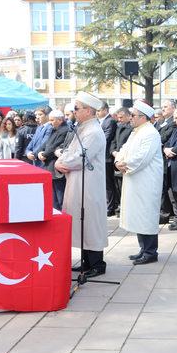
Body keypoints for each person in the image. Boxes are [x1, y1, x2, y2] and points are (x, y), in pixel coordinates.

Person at [55, 92, 109, 278]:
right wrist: (60, 161)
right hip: (77, 181)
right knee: (81, 219)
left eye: (77, 108)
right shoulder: (82, 128)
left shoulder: (93, 131)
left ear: (88, 110)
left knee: (90, 221)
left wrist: (62, 164)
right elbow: (69, 150)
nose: (74, 112)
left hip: (89, 184)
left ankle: (97, 264)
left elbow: (80, 158)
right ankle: (86, 261)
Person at [115, 100, 163, 265]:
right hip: (136, 179)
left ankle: (151, 252)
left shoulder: (150, 133)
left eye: (133, 115)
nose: (130, 118)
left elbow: (143, 157)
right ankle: (143, 249)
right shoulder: (137, 131)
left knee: (146, 215)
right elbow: (124, 149)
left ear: (143, 117)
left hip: (146, 182)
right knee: (138, 214)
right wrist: (119, 161)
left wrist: (125, 164)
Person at [39, 110, 70, 210]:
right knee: (54, 199)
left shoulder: (65, 130)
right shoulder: (54, 129)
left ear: (60, 120)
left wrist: (44, 154)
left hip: (56, 167)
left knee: (60, 197)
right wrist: (39, 152)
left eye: (52, 120)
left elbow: (54, 146)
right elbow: (46, 143)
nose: (50, 122)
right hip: (50, 166)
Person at [97, 101, 119, 217]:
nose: (97, 113)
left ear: (105, 110)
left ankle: (110, 207)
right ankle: (107, 205)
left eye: (99, 110)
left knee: (108, 184)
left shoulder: (109, 121)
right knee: (104, 184)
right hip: (100, 157)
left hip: (107, 157)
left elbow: (106, 137)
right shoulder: (99, 121)